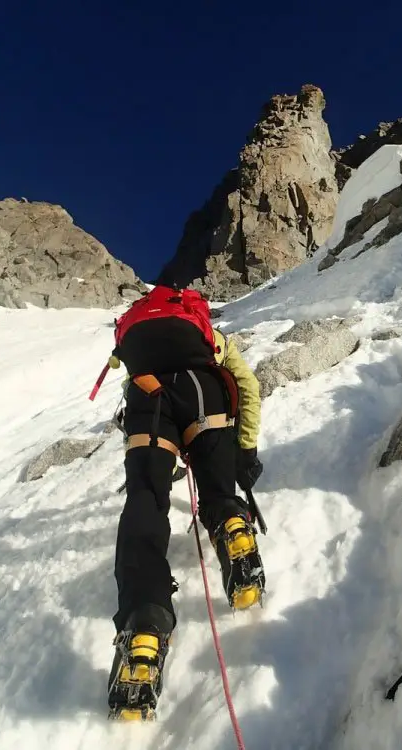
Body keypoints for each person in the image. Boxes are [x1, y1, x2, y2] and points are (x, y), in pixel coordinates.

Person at [104, 285, 263, 720]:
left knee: (147, 498)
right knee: (217, 491)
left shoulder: (140, 338)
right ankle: (232, 526)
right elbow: (247, 385)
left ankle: (144, 628)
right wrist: (245, 449)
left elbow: (130, 383)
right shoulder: (209, 337)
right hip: (203, 392)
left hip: (148, 395)